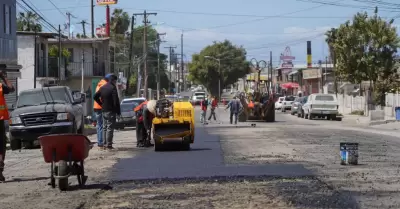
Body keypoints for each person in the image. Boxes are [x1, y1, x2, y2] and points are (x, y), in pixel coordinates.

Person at [93, 73, 121, 150]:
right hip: (111, 110)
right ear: (114, 81)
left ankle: (104, 143)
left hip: (103, 110)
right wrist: (118, 111)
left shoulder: (102, 87)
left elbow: (95, 96)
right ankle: (109, 144)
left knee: (104, 127)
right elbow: (116, 101)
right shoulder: (112, 88)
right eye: (115, 81)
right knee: (109, 127)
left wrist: (101, 103)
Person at [0, 71, 15, 182]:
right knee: (1, 146)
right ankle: (0, 169)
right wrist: (3, 76)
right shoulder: (0, 87)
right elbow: (11, 88)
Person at [93, 76, 109, 149]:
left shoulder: (98, 85)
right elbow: (103, 96)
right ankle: (101, 142)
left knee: (99, 125)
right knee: (102, 125)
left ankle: (100, 141)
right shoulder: (105, 85)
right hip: (101, 107)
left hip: (96, 107)